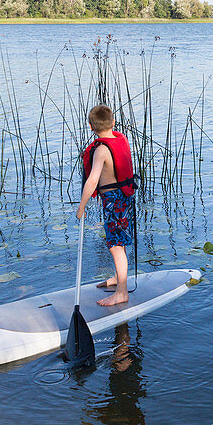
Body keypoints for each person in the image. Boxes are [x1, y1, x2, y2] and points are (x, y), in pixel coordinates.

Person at [77, 104, 137, 307]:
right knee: (118, 239)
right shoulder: (120, 139)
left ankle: (121, 292)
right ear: (113, 123)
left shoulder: (101, 150)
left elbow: (92, 180)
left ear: (91, 127)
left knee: (115, 245)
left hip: (113, 200)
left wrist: (81, 206)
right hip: (124, 197)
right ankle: (117, 278)